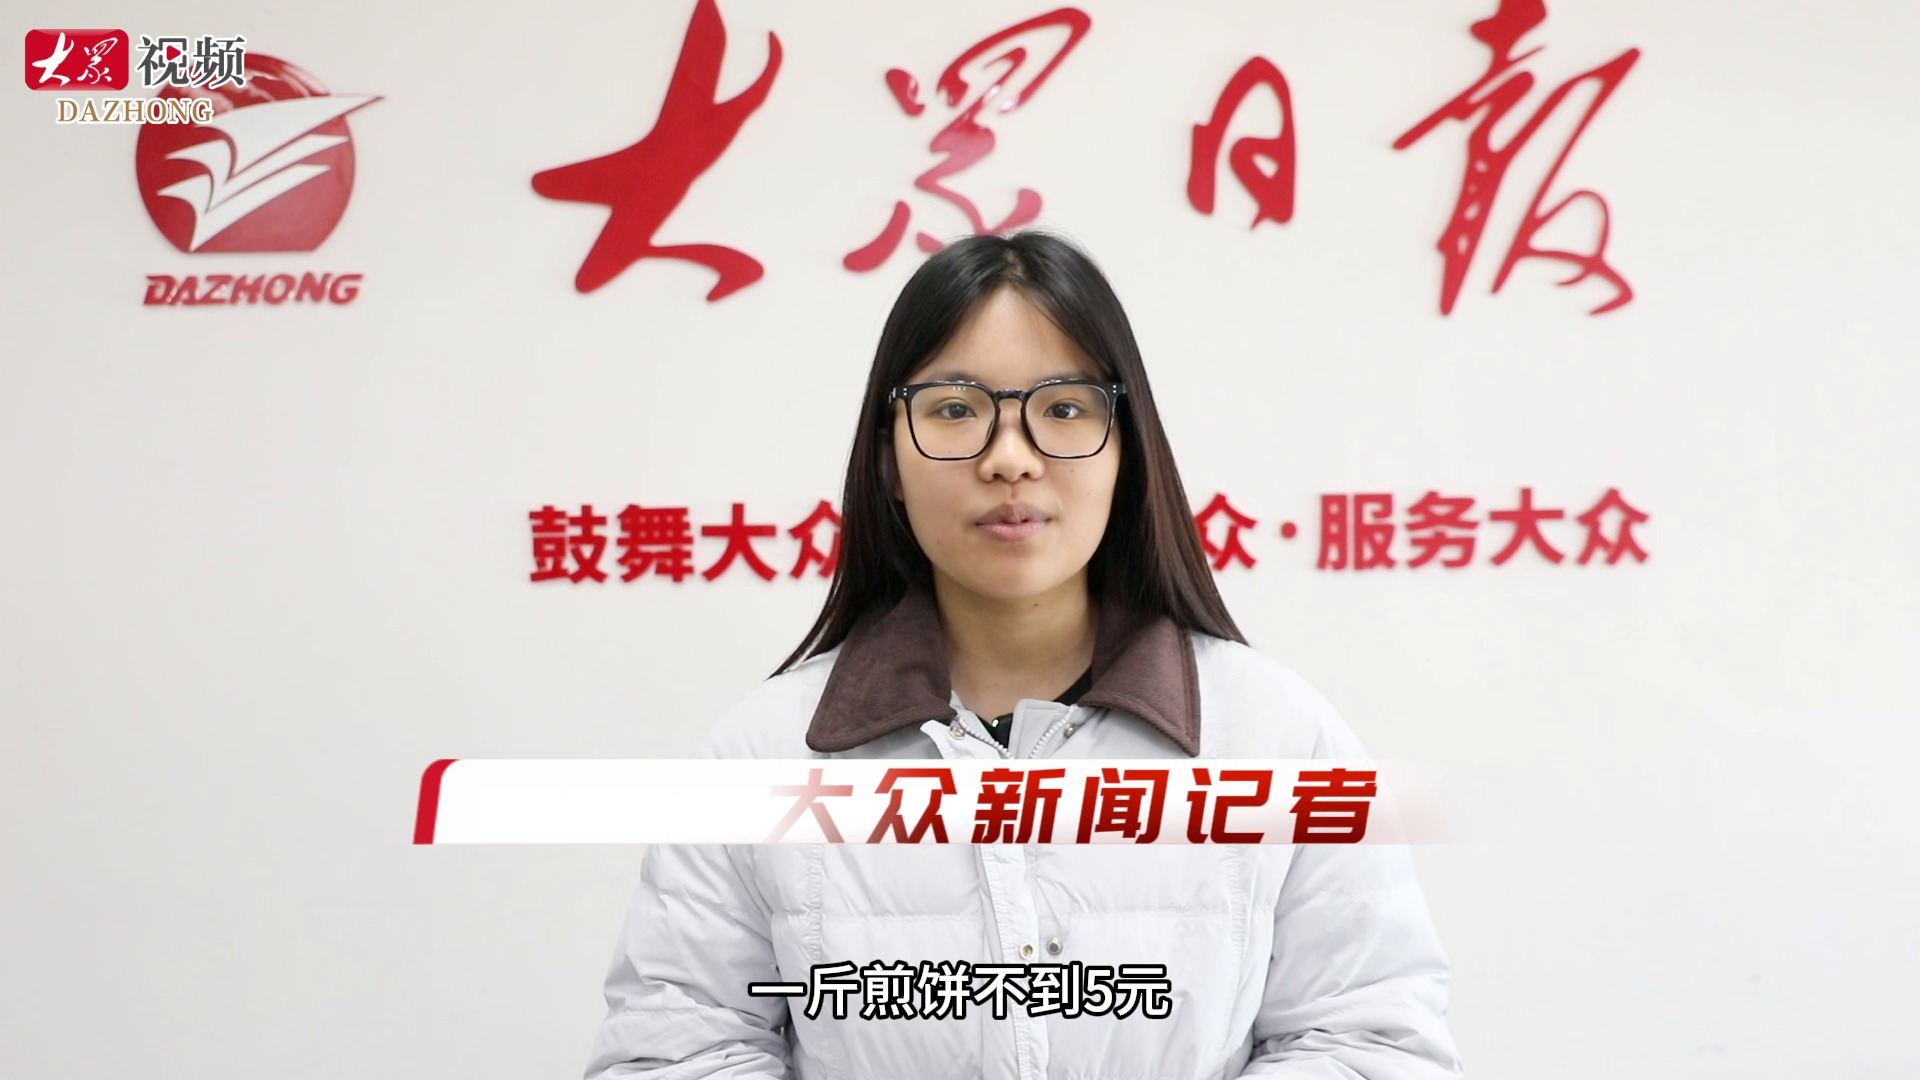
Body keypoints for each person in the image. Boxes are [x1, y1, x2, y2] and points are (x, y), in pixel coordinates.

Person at [585, 230, 1462, 1079]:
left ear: (1126, 452)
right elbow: (675, 1055)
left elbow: (1373, 1045)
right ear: (888, 461)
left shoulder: (1280, 739)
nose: (1011, 459)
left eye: (1064, 409)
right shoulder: (761, 756)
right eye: (955, 410)